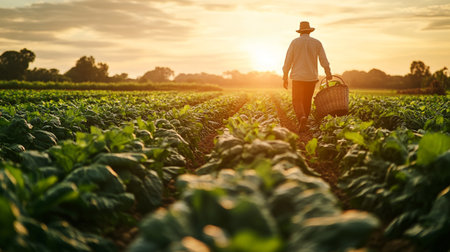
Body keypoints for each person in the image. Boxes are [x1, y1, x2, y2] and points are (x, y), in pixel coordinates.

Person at [282, 21, 332, 132]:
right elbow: (323, 60)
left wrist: (285, 76)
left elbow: (288, 61)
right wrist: (328, 72)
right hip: (311, 77)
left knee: (297, 100)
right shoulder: (317, 43)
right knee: (307, 100)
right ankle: (304, 120)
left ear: (300, 32)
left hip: (298, 77)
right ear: (309, 31)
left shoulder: (294, 42)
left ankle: (302, 117)